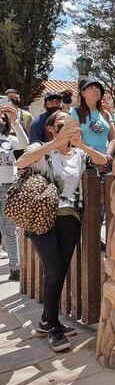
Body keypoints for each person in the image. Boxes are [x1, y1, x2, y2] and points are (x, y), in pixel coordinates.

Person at [17, 111, 109, 351]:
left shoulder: (79, 154)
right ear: (51, 128)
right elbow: (21, 162)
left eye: (70, 124)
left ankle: (46, 321)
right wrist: (55, 144)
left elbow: (103, 160)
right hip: (42, 217)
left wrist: (82, 145)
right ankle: (54, 327)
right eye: (61, 124)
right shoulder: (41, 147)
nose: (66, 127)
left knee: (58, 272)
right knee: (54, 270)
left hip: (70, 219)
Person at [0, 104, 30, 281]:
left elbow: (25, 143)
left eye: (3, 119)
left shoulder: (9, 139)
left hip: (9, 187)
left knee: (11, 229)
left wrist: (15, 120)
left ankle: (15, 267)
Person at [70, 77, 115, 159]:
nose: (96, 90)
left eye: (98, 87)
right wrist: (96, 155)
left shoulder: (105, 114)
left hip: (107, 160)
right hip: (87, 161)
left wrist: (108, 154)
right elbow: (76, 139)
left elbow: (113, 138)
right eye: (91, 87)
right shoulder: (74, 112)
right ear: (83, 93)